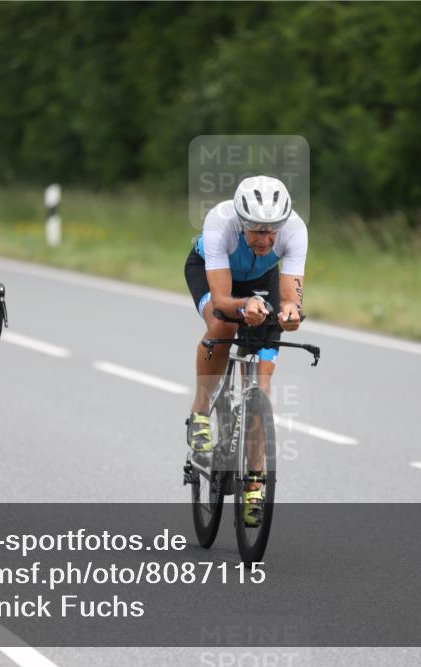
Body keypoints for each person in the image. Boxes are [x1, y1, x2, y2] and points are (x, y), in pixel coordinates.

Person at [184, 175, 307, 525]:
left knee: (261, 389)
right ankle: (200, 412)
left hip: (262, 280)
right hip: (214, 275)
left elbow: (290, 298)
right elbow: (223, 299)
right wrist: (244, 306)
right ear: (241, 221)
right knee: (223, 325)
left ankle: (255, 483)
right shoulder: (219, 223)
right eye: (257, 230)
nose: (266, 238)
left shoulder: (295, 229)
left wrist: (290, 314)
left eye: (273, 230)